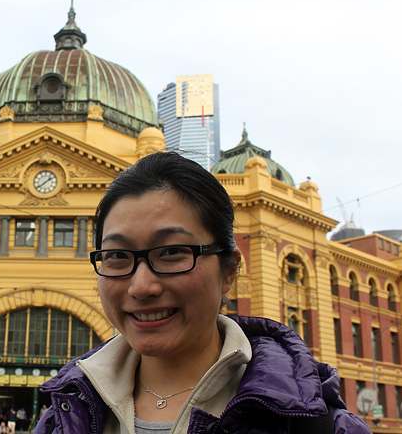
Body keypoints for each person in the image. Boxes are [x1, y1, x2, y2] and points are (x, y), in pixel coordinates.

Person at [33, 152, 371, 433]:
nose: (142, 287)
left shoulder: (315, 424)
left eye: (171, 252)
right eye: (118, 256)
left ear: (228, 271)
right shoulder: (62, 418)